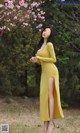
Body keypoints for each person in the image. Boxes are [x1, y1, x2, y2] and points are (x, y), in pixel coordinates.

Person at [30, 27, 64, 133]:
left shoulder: (50, 45)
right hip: (44, 73)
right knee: (44, 97)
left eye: (47, 31)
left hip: (51, 71)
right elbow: (41, 61)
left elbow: (53, 59)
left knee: (50, 96)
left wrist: (39, 58)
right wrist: (35, 60)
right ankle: (45, 124)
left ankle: (51, 123)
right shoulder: (40, 46)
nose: (44, 32)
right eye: (44, 30)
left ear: (50, 34)